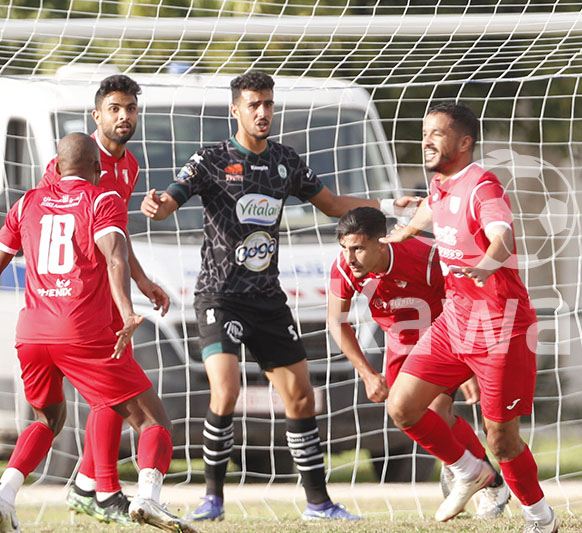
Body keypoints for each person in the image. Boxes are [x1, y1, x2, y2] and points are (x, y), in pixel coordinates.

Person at [141, 72, 414, 522]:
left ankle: (318, 504)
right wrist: (158, 206)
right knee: (226, 390)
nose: (263, 112)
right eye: (254, 104)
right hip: (219, 297)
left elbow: (331, 204)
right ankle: (212, 500)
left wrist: (385, 207)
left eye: (268, 103)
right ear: (236, 110)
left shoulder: (285, 161)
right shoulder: (211, 159)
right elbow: (171, 199)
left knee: (301, 397)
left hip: (267, 300)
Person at [0, 133, 194, 533]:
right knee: (153, 420)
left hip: (32, 334)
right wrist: (126, 311)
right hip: (81, 332)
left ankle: (5, 495)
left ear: (56, 166)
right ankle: (147, 497)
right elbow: (115, 257)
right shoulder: (102, 199)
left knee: (47, 419)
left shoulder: (27, 202)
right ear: (97, 167)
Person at [381, 103, 556, 533]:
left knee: (502, 440)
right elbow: (434, 205)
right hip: (455, 321)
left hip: (499, 326)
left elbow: (502, 234)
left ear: (464, 143)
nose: (427, 141)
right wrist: (408, 229)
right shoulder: (440, 183)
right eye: (425, 133)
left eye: (437, 134)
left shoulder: (484, 186)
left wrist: (487, 264)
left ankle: (541, 518)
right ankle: (469, 470)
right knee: (402, 406)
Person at [39, 74, 171, 525]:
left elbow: (117, 236)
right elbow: (45, 219)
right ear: (97, 115)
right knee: (111, 387)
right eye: (115, 108)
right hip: (74, 299)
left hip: (111, 294)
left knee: (113, 385)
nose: (124, 116)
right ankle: (100, 489)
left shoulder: (130, 166)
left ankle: (89, 485)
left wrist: (143, 280)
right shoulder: (71, 160)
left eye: (130, 108)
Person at [327, 206, 510, 518]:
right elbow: (336, 320)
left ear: (381, 242)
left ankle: (481, 479)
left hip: (443, 334)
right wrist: (367, 373)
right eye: (345, 248)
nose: (350, 257)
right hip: (398, 341)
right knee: (408, 414)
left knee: (436, 410)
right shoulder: (344, 266)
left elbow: (463, 302)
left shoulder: (426, 258)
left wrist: (467, 366)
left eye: (357, 248)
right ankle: (471, 470)